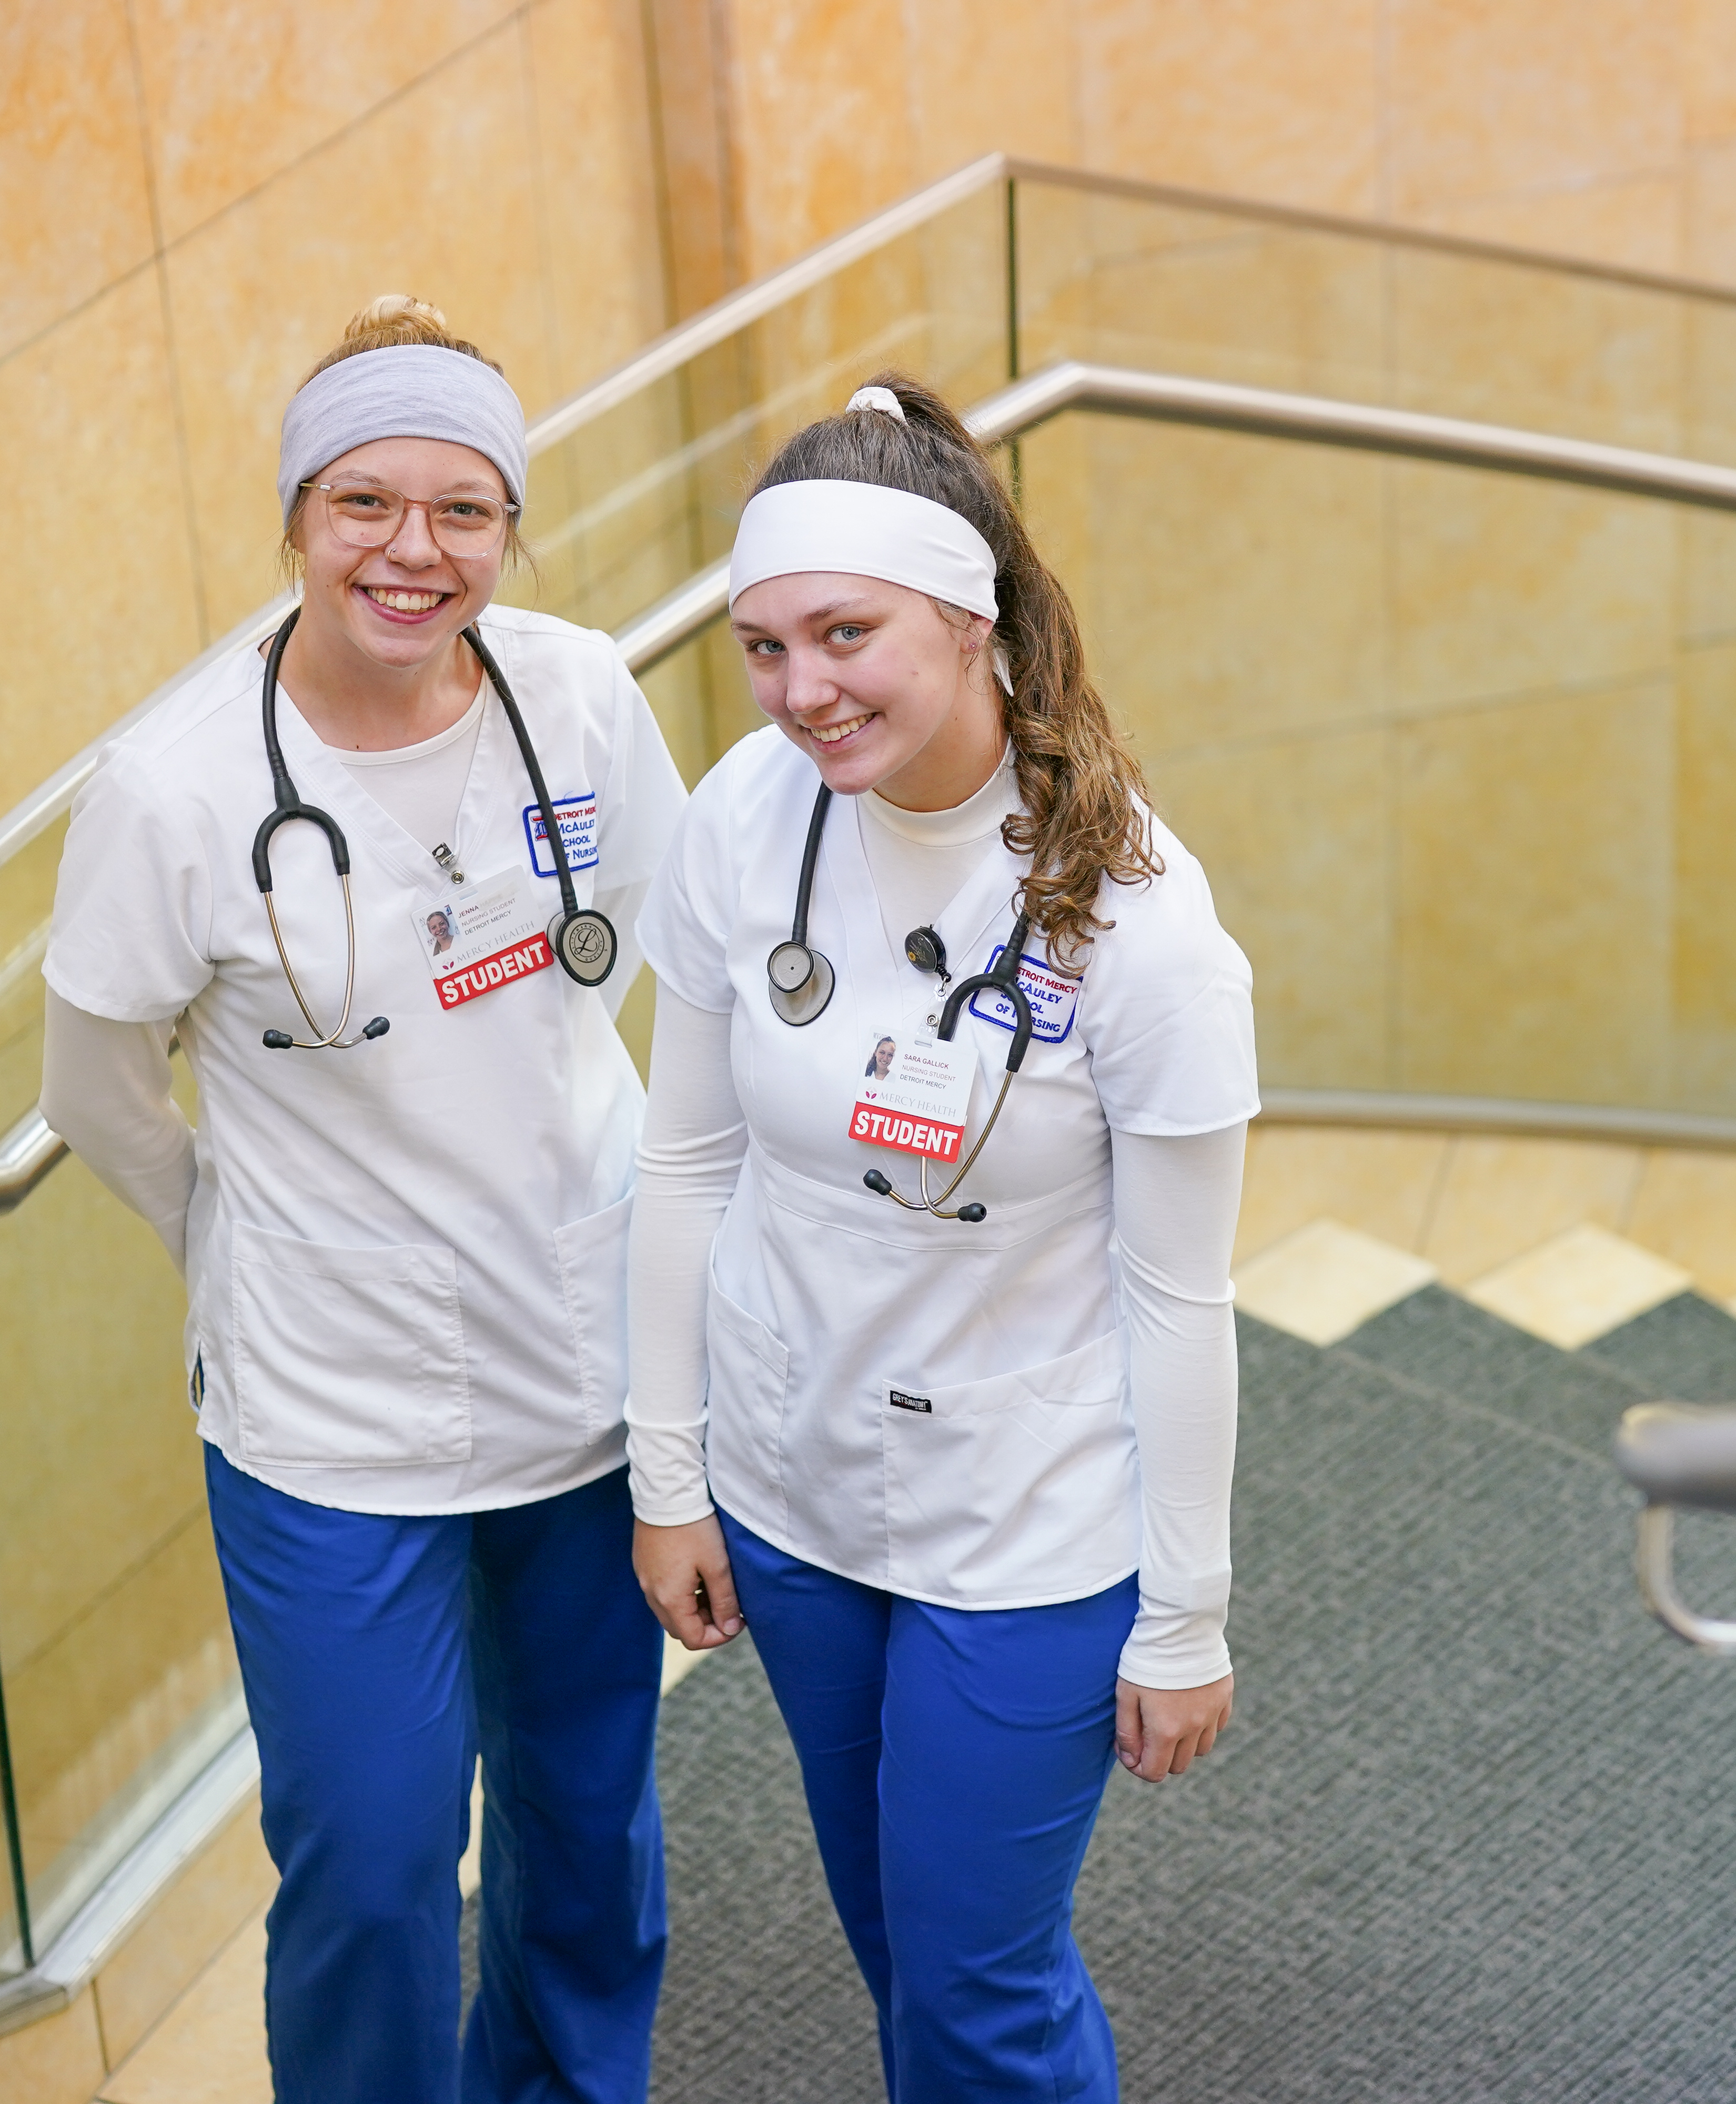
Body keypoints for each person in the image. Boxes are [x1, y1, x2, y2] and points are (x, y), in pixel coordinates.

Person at [37, 295, 686, 2104]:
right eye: (366, 504)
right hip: (329, 1418)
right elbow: (94, 1090)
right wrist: (244, 1244)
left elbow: (639, 960)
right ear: (298, 517)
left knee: (585, 1824)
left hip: (581, 1364)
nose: (417, 552)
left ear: (511, 528)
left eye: (465, 510)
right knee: (380, 1863)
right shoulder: (173, 792)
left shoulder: (577, 695)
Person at [624, 375, 1257, 2101]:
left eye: (844, 634)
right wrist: (666, 1472)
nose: (799, 691)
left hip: (1029, 1519)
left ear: (973, 619)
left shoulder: (1143, 930)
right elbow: (680, 1167)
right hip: (794, 1482)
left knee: (977, 1979)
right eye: (762, 646)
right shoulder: (743, 817)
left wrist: (1185, 1615)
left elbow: (1181, 1295)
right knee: (898, 1938)